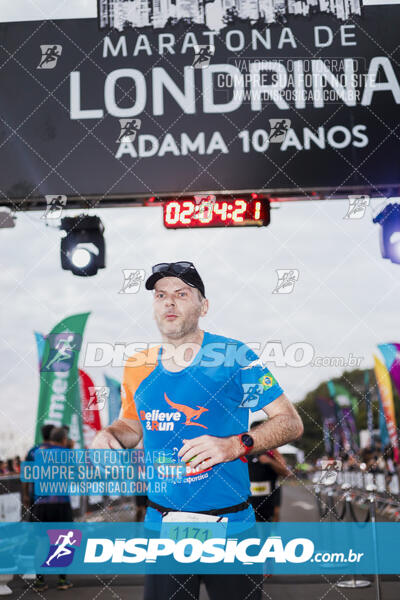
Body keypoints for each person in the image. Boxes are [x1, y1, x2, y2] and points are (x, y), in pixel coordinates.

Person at [92, 261, 303, 600]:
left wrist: (237, 444)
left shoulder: (235, 356)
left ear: (203, 306)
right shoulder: (137, 364)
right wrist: (110, 435)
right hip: (163, 525)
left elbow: (290, 422)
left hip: (230, 525)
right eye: (161, 295)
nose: (169, 302)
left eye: (182, 293)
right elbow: (132, 424)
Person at [30, 427, 74, 591]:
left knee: (42, 542)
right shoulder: (66, 452)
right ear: (63, 439)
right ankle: (62, 580)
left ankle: (40, 581)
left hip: (41, 504)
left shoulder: (37, 452)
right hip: (61, 503)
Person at [248, 421, 292, 522]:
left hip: (270, 496)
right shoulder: (245, 451)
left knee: (272, 519)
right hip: (251, 498)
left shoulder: (271, 450)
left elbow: (285, 472)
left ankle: (273, 535)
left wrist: (270, 461)